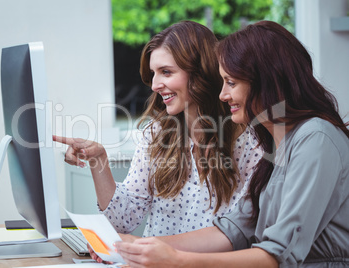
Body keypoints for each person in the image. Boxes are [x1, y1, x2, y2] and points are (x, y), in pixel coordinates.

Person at [114, 20, 349, 267]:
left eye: (232, 83)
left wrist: (177, 261)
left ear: (266, 82)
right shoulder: (276, 144)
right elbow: (233, 230)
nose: (223, 95)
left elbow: (279, 255)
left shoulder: (316, 139)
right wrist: (131, 246)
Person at [54, 20, 261, 238]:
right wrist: (98, 159)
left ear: (201, 72)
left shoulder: (250, 143)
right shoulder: (156, 134)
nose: (154, 85)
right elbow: (122, 221)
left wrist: (149, 249)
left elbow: (239, 235)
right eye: (154, 73)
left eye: (166, 72)